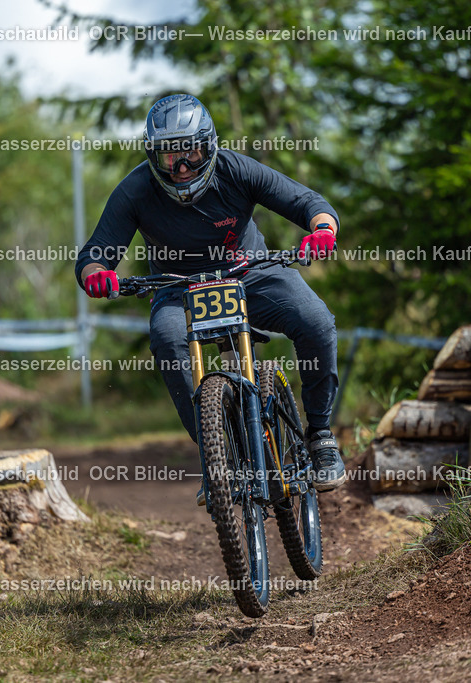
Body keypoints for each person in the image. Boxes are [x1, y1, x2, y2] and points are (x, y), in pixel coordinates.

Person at [75, 93, 347, 503]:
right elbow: (95, 254)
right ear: (152, 156)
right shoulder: (135, 190)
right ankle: (215, 456)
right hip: (177, 288)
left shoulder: (236, 169)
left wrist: (322, 230)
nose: (182, 167)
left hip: (251, 273)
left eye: (191, 153)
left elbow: (309, 203)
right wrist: (96, 276)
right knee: (167, 340)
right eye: (169, 157)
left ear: (209, 146)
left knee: (316, 320)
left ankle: (321, 434)